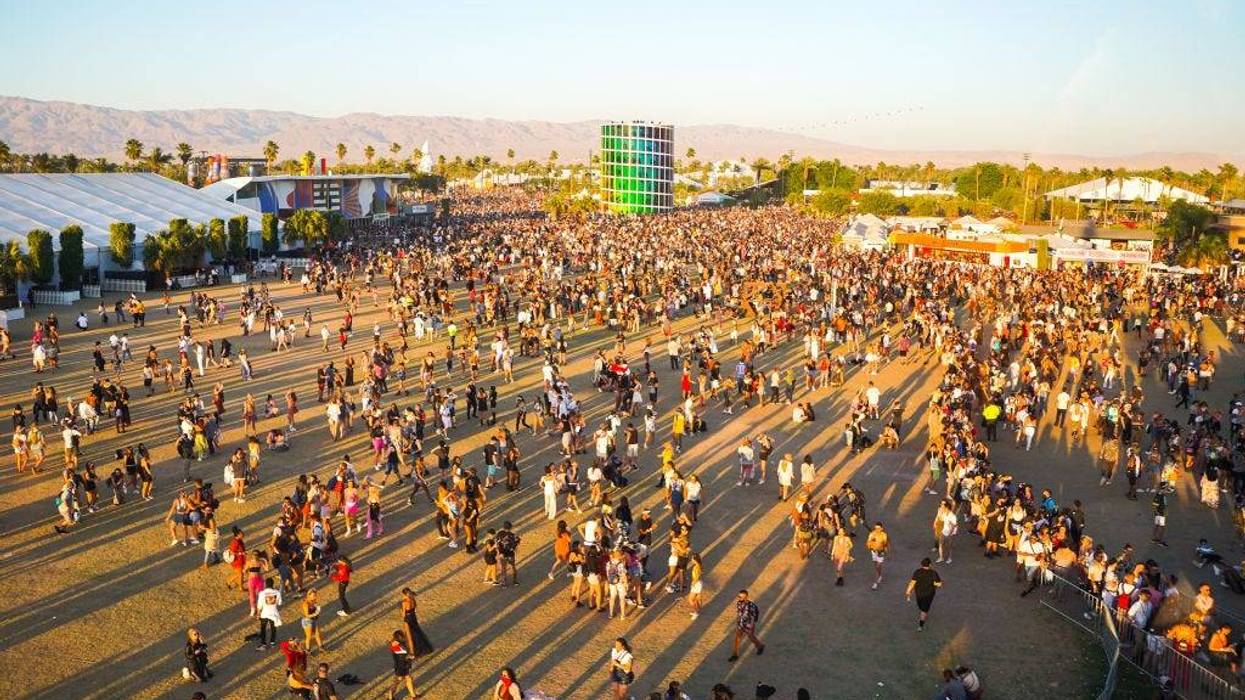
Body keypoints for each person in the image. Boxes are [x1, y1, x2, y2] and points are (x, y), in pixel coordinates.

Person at [727, 589, 765, 662]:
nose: (739, 598)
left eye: (741, 597)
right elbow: (739, 613)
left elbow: (754, 616)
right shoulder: (738, 603)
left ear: (746, 597)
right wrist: (738, 622)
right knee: (737, 638)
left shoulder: (751, 605)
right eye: (738, 596)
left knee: (751, 637)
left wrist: (751, 625)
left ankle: (760, 646)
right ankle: (735, 654)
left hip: (749, 624)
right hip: (741, 622)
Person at [906, 558, 942, 631]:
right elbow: (939, 584)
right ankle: (921, 624)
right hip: (929, 594)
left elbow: (912, 582)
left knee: (921, 607)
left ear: (921, 564)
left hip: (919, 593)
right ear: (930, 564)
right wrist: (934, 584)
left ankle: (921, 622)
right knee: (924, 610)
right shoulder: (933, 573)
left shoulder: (917, 572)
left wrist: (908, 591)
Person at [387, 630, 423, 699]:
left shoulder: (395, 644)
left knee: (408, 678)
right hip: (402, 666)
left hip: (401, 665)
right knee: (398, 679)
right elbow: (406, 655)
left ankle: (413, 695)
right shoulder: (398, 646)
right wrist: (413, 657)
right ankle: (390, 695)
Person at [866, 522, 890, 590]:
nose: (877, 530)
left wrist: (887, 553)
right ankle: (880, 575)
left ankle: (875, 583)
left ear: (882, 528)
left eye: (878, 528)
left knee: (877, 566)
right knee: (876, 567)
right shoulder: (872, 534)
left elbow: (886, 545)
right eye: (876, 528)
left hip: (880, 553)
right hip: (873, 552)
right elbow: (868, 543)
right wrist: (871, 542)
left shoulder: (884, 535)